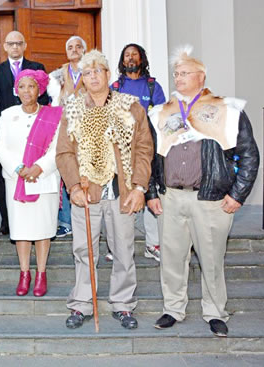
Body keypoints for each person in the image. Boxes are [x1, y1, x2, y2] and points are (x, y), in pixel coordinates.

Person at [147, 45, 259, 337]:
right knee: (171, 258)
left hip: (210, 200)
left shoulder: (226, 109)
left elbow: (249, 154)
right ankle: (173, 308)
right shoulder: (162, 112)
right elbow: (147, 155)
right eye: (176, 73)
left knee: (211, 259)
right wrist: (150, 193)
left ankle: (215, 312)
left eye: (184, 73)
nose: (178, 78)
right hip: (170, 197)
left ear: (201, 76)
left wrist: (238, 194)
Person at [56, 50, 153, 330]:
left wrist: (139, 188)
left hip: (121, 191)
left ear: (109, 75)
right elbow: (64, 152)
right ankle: (82, 303)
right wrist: (73, 186)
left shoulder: (130, 106)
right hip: (86, 192)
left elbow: (145, 150)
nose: (93, 76)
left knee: (123, 250)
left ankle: (123, 304)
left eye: (99, 71)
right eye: (88, 72)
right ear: (82, 78)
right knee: (84, 250)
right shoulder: (72, 108)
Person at [0, 69, 62, 297]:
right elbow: (0, 147)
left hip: (45, 178)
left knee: (43, 228)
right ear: (16, 89)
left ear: (40, 89)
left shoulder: (54, 115)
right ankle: (25, 273)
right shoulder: (7, 114)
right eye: (21, 86)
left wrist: (39, 168)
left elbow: (58, 147)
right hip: (16, 180)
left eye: (31, 86)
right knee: (21, 229)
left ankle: (41, 273)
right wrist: (19, 168)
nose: (26, 91)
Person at [0, 31, 50, 237]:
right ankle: (7, 223)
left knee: (35, 175)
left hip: (34, 127)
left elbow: (44, 99)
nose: (15, 47)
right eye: (11, 44)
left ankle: (38, 224)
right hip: (8, 129)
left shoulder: (37, 68)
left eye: (18, 43)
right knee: (5, 179)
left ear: (24, 45)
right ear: (5, 46)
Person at [112, 43, 167, 262]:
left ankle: (152, 244)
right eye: (127, 55)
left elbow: (164, 117)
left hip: (148, 149)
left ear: (142, 59)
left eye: (135, 54)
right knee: (122, 195)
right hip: (122, 151)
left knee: (149, 191)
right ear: (122, 61)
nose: (131, 58)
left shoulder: (153, 86)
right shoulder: (115, 87)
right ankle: (117, 246)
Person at [47, 35, 87, 238]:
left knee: (85, 174)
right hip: (63, 130)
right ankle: (65, 221)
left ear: (84, 50)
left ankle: (86, 216)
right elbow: (53, 102)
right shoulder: (58, 74)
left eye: (78, 46)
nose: (74, 50)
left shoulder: (92, 71)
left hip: (87, 130)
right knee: (64, 172)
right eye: (70, 47)